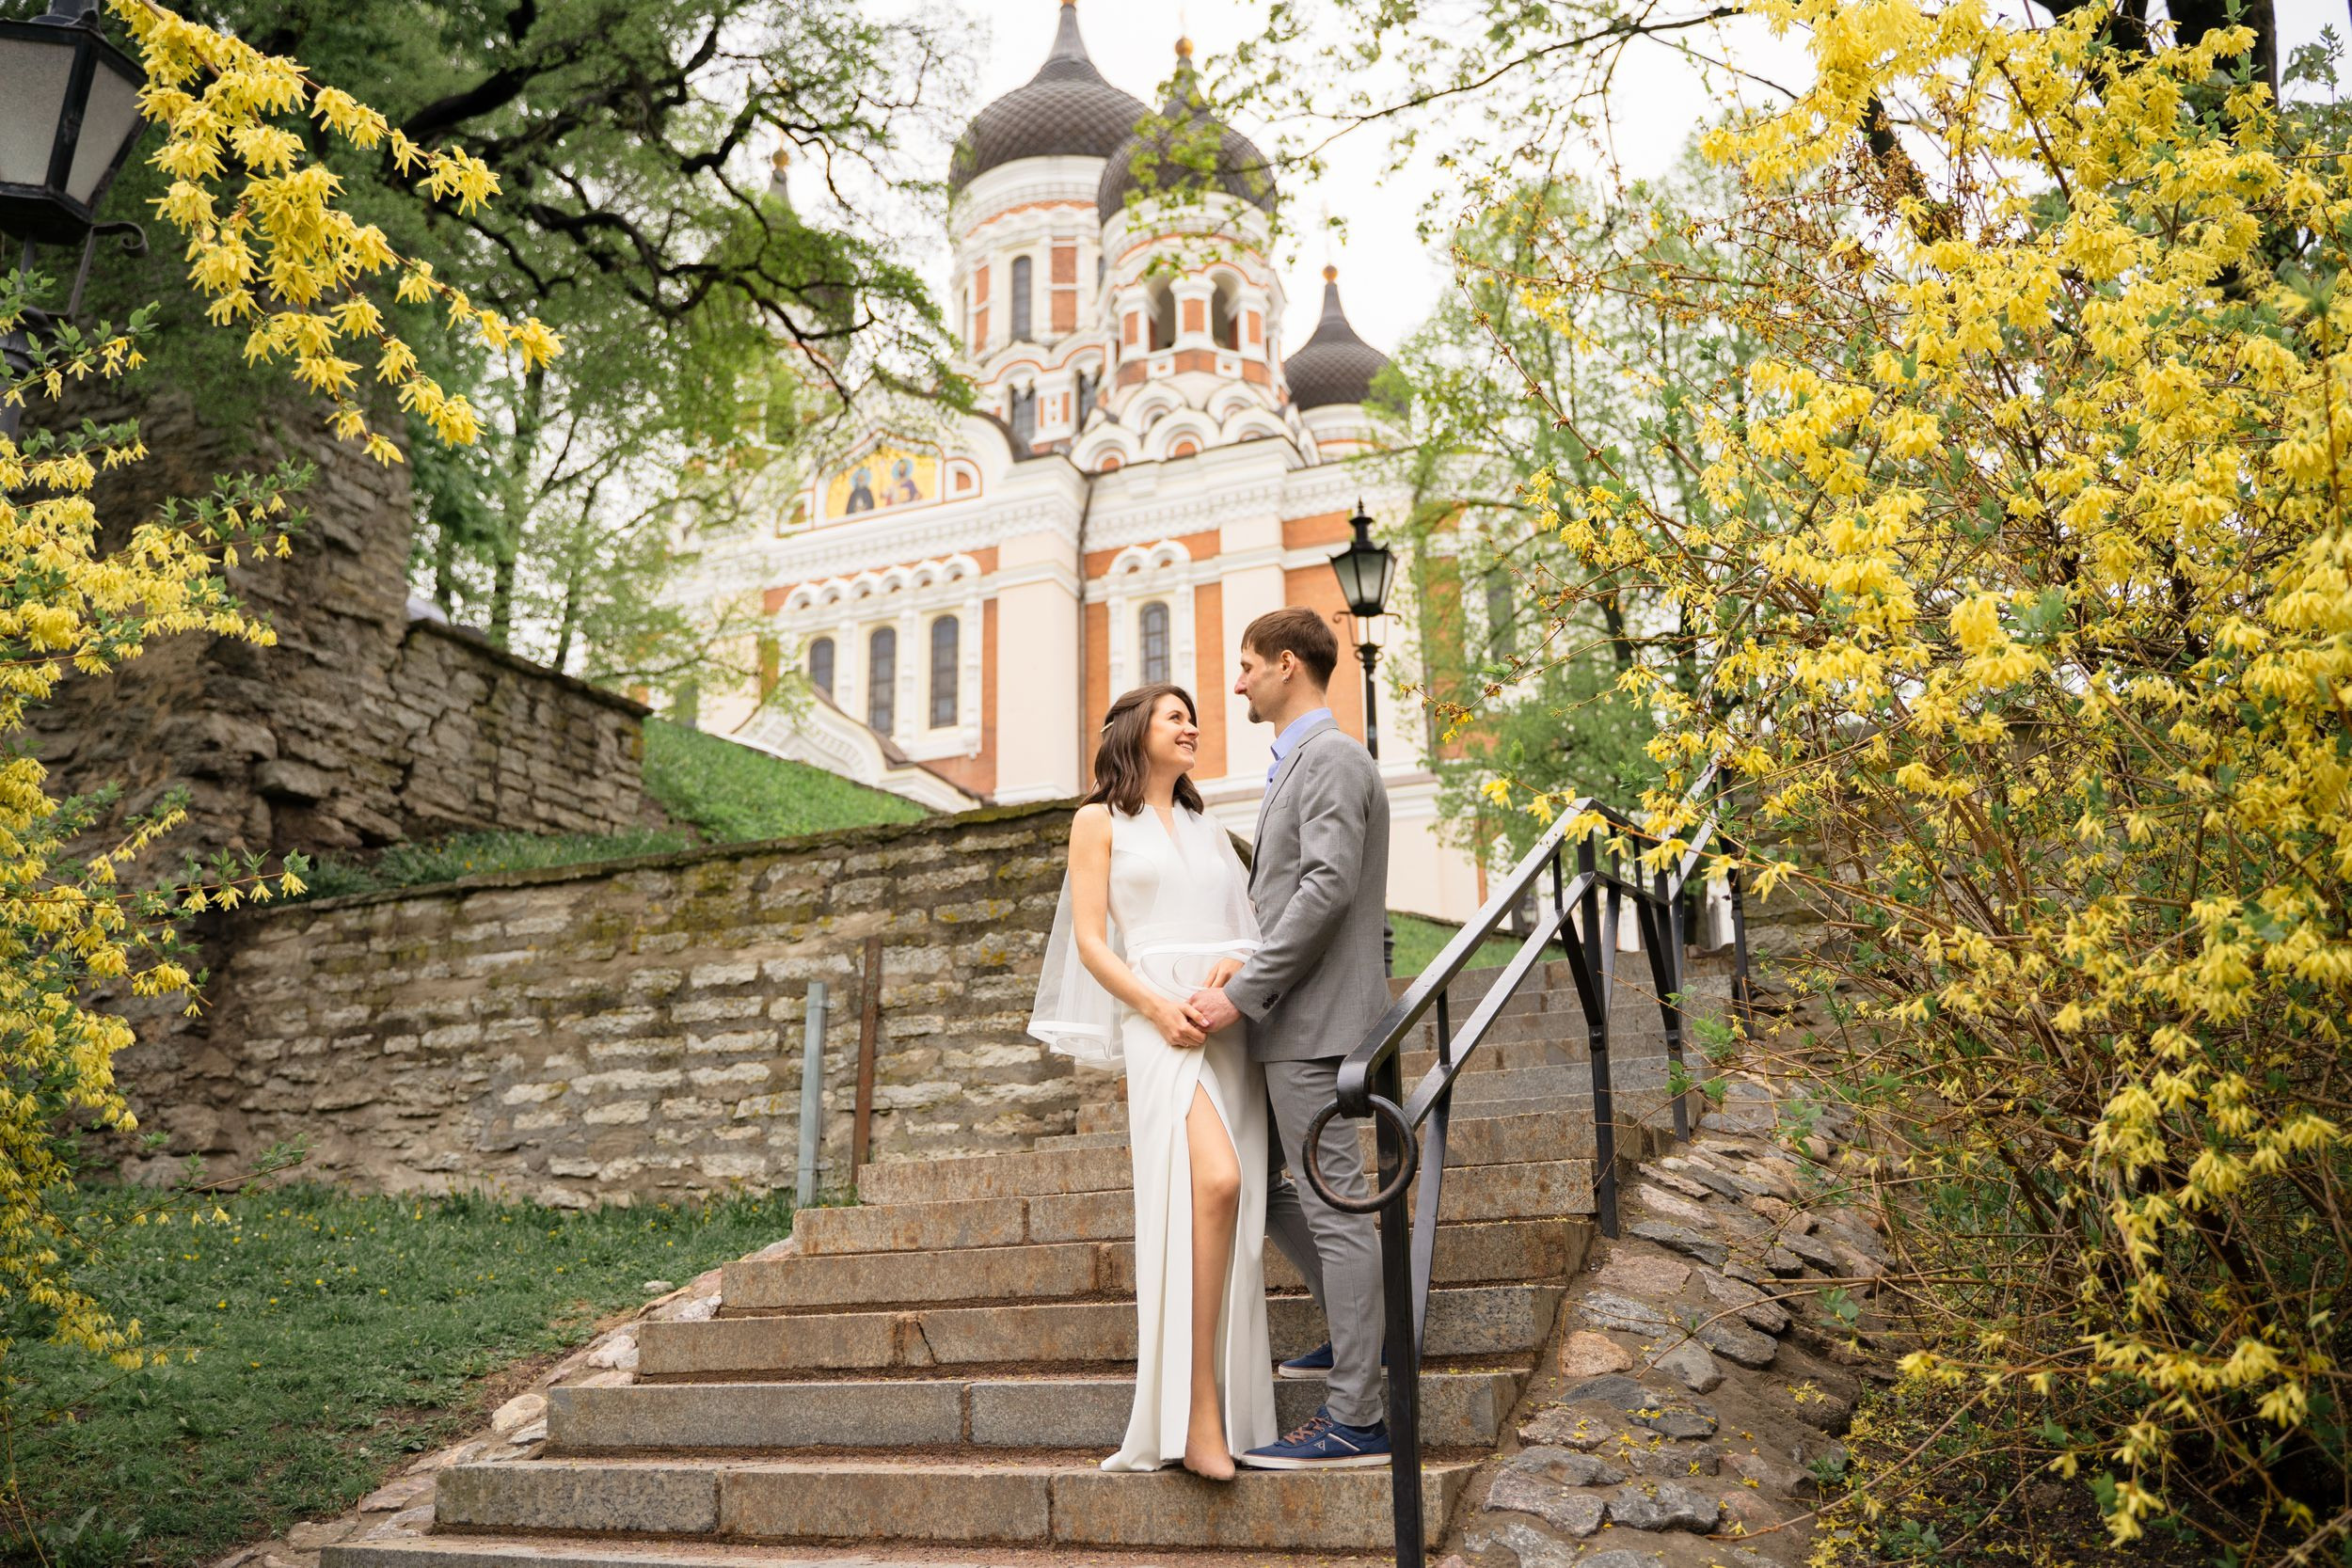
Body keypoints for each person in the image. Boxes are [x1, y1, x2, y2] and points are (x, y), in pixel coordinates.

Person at [1027, 685, 1277, 1480]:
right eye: (1176, 716)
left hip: (1223, 1025)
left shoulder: (1212, 829)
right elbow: (1094, 942)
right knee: (1217, 1179)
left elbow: (1250, 930)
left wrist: (1235, 967)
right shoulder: (1096, 822)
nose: (1192, 725)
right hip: (1155, 1019)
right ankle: (1195, 1412)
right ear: (1137, 730)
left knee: (1230, 1199)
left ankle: (1227, 1411)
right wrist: (1155, 1006)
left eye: (1194, 715)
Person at [1188, 606, 1393, 1470]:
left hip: (1312, 1022)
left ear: (1284, 665)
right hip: (1292, 1015)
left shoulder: (1334, 757)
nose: (1235, 683)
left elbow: (1326, 888)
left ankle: (1358, 1415)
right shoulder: (1300, 762)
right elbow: (1292, 897)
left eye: (1244, 666)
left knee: (1334, 1204)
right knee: (1270, 1187)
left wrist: (1250, 989)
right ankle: (1363, 1335)